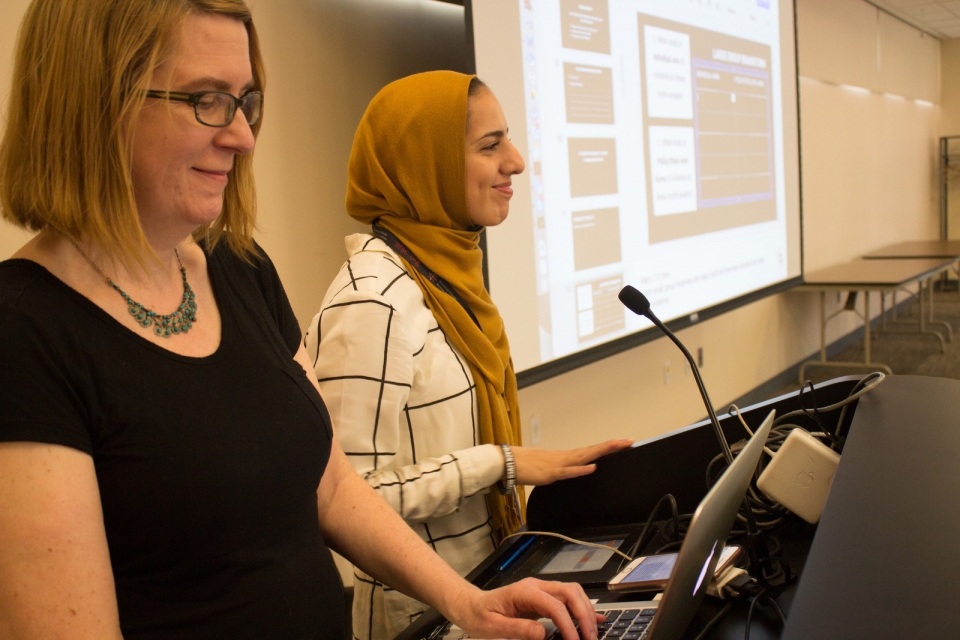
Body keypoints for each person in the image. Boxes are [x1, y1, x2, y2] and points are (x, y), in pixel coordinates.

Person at [0, 2, 603, 639]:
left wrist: (467, 602)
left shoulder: (238, 267)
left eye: (245, 102)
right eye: (207, 100)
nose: (242, 136)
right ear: (96, 102)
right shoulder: (24, 331)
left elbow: (333, 486)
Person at [304, 71, 633, 640]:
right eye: (490, 145)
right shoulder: (371, 300)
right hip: (424, 619)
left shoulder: (444, 276)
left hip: (492, 588)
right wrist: (498, 463)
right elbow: (347, 498)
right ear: (421, 162)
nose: (517, 161)